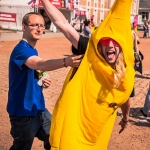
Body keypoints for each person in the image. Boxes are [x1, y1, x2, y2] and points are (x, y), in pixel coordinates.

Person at [41, 0, 135, 149]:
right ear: (99, 43)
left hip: (97, 133)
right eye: (105, 41)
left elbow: (126, 98)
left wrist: (125, 118)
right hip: (74, 128)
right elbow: (63, 24)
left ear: (122, 45)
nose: (110, 45)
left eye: (115, 42)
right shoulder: (89, 51)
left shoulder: (127, 71)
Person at [7, 12, 82, 150]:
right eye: (34, 25)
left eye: (42, 25)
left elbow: (35, 68)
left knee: (55, 136)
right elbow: (39, 64)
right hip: (23, 112)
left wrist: (41, 77)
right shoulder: (21, 50)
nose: (39, 28)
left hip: (38, 108)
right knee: (22, 147)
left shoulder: (31, 49)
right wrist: (66, 61)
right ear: (24, 27)